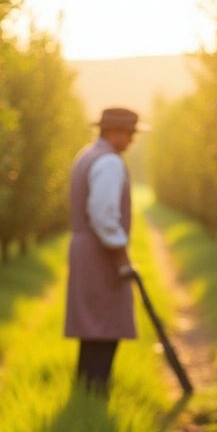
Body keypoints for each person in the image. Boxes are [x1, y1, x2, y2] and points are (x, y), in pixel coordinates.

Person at [65, 107, 139, 395]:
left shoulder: (88, 153)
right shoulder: (109, 162)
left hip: (87, 248)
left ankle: (86, 391)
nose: (131, 140)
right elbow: (104, 215)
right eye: (129, 134)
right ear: (114, 132)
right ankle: (95, 392)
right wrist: (120, 253)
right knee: (105, 326)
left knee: (93, 326)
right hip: (99, 252)